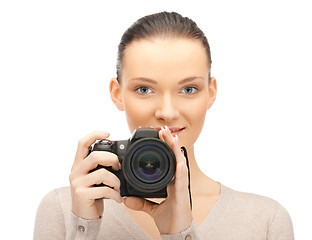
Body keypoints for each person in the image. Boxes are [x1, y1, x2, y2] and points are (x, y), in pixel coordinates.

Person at [34, 12, 294, 239]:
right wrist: (84, 228)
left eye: (189, 89)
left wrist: (180, 234)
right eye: (144, 89)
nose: (167, 112)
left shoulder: (265, 222)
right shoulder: (63, 208)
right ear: (117, 94)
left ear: (211, 93)